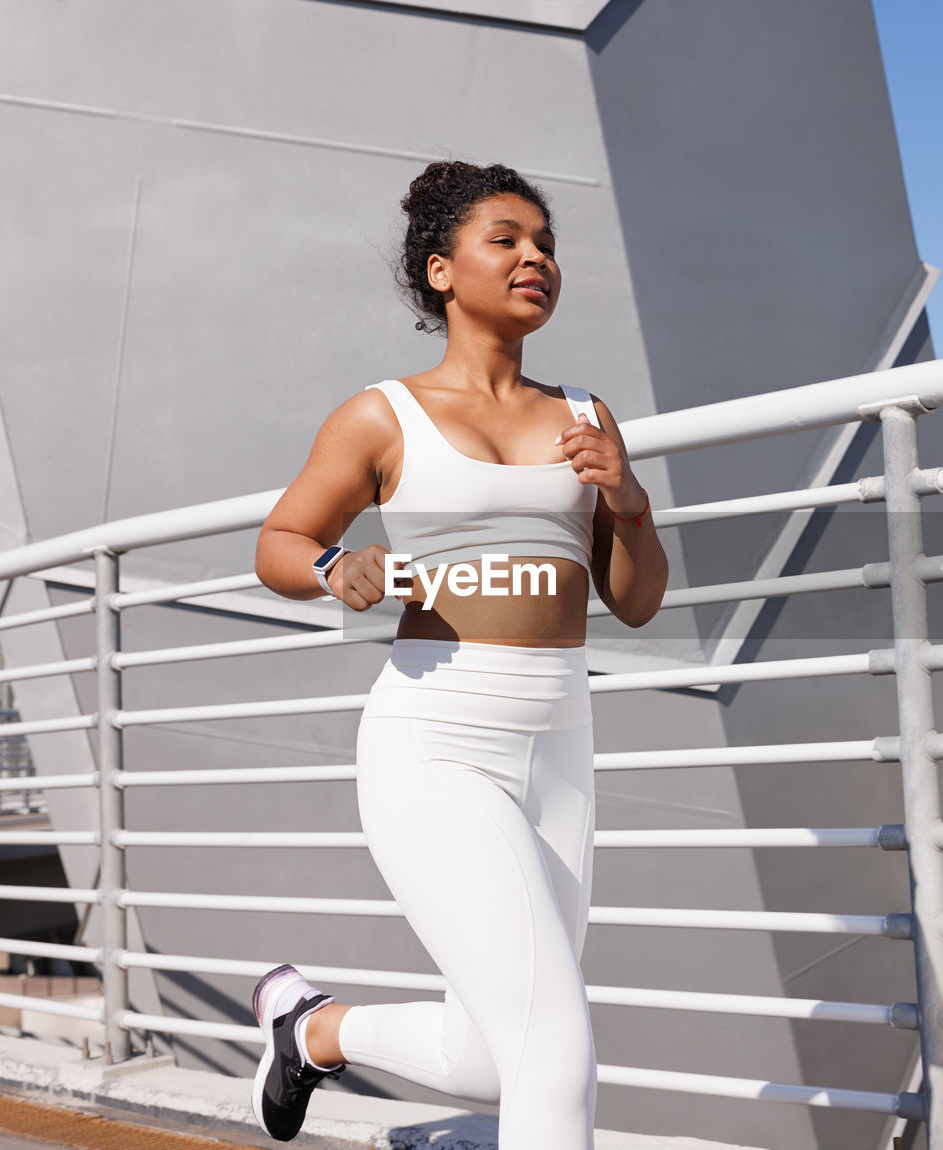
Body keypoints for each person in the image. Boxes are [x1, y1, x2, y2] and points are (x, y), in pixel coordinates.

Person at [251, 160, 668, 1148]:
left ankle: (310, 1030)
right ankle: (307, 1030)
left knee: (495, 1053)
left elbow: (637, 601)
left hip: (559, 746)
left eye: (546, 244)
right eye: (506, 239)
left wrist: (626, 498)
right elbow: (276, 542)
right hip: (434, 742)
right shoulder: (379, 415)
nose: (535, 258)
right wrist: (333, 568)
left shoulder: (584, 416)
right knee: (555, 1053)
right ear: (441, 270)